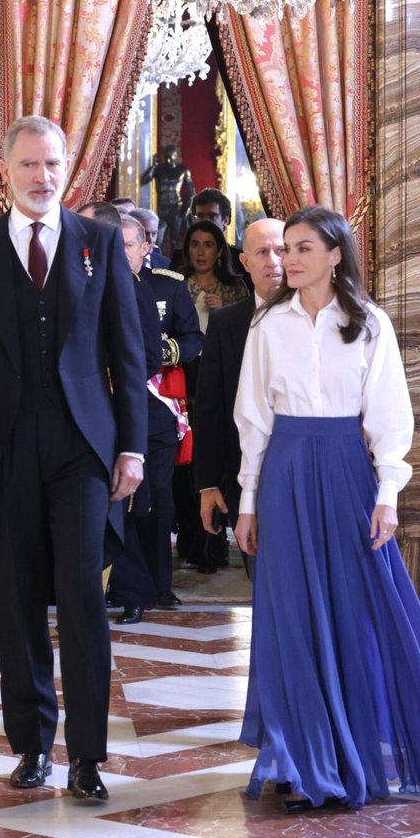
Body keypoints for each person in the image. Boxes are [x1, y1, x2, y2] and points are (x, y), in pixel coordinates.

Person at [0, 115, 145, 804]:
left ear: (64, 166)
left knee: (83, 595)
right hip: (1, 448)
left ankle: (87, 756)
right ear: (6, 170)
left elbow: (127, 353)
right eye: (28, 164)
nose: (42, 176)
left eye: (52, 164)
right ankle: (31, 747)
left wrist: (133, 445)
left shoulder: (100, 245)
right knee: (16, 601)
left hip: (83, 449)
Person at [233, 205, 420, 812]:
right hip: (283, 472)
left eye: (302, 248)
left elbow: (392, 417)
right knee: (290, 616)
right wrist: (248, 501)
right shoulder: (266, 326)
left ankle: (358, 753)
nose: (287, 259)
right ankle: (302, 756)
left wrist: (388, 494)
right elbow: (252, 421)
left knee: (358, 609)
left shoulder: (368, 323)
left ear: (336, 255)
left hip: (346, 472)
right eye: (284, 249)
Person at [101, 211, 201, 625]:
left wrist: (148, 358)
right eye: (114, 244)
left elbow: (190, 341)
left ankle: (157, 583)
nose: (121, 253)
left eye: (128, 245)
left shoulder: (162, 288)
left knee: (152, 500)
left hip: (153, 409)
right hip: (104, 410)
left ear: (146, 248)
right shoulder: (92, 285)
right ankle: (115, 585)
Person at [195, 217, 285, 579]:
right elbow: (210, 407)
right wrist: (208, 483)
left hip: (307, 467)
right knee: (263, 581)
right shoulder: (227, 323)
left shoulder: (321, 318)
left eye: (282, 250)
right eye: (262, 252)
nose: (274, 261)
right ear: (245, 262)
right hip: (246, 474)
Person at [175, 217, 249, 574]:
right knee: (192, 461)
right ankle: (194, 541)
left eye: (208, 244)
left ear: (220, 250)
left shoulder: (236, 291)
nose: (201, 251)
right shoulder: (179, 287)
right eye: (194, 244)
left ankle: (217, 544)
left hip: (227, 377)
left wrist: (222, 311)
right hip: (186, 378)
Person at [140, 144, 192, 213]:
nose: (168, 161)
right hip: (161, 208)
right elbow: (143, 181)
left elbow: (190, 191)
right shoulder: (158, 169)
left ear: (176, 156)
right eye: (166, 157)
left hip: (176, 207)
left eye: (170, 158)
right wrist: (153, 166)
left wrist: (187, 208)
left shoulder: (183, 170)